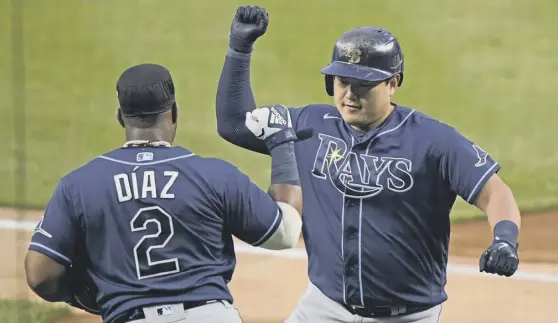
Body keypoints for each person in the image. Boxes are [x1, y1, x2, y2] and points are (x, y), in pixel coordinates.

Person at [215, 5, 522, 323]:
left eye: (363, 84)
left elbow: (495, 193)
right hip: (323, 307)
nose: (349, 94)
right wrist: (240, 49)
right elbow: (234, 125)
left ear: (393, 83)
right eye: (341, 81)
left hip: (406, 317)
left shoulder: (433, 141)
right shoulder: (309, 126)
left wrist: (505, 239)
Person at [24, 63, 312, 323]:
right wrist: (282, 144)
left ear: (120, 117)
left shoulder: (78, 185)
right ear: (173, 113)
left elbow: (40, 275)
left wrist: (84, 296)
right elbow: (285, 232)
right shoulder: (214, 175)